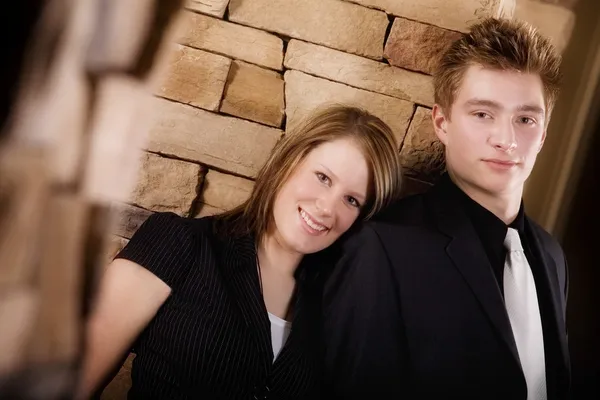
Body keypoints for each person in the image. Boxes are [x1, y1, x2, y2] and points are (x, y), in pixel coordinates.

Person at [76, 105, 402, 400]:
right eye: (323, 177)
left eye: (352, 200)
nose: (327, 208)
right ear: (287, 163)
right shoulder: (178, 243)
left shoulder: (332, 307)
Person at [321, 18, 570, 400]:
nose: (506, 139)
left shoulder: (551, 255)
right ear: (442, 122)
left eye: (525, 119)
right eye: (482, 114)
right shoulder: (382, 248)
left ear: (544, 133)